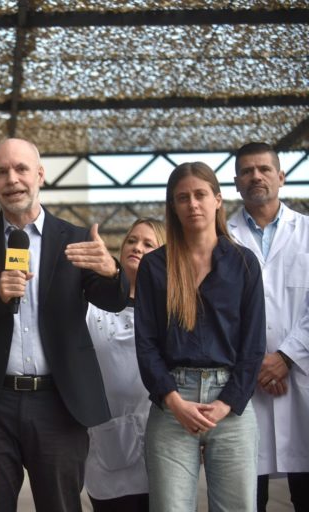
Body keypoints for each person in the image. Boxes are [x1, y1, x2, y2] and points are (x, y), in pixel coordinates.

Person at [0, 138, 129, 511]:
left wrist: (112, 271)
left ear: (40, 175)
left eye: (21, 168)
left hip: (59, 402)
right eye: (1, 171)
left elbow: (113, 299)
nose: (12, 179)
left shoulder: (75, 239)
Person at [135, 161, 266, 511]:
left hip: (231, 404)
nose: (192, 204)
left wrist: (226, 403)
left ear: (218, 200)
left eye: (200, 195)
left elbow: (253, 346)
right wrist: (174, 401)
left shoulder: (243, 263)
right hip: (172, 403)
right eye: (182, 198)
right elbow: (146, 344)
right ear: (173, 206)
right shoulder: (155, 266)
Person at [227, 142, 309, 511]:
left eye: (263, 169)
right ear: (236, 183)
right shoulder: (220, 239)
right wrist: (258, 362)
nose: (255, 176)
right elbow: (218, 311)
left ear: (281, 176)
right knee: (246, 497)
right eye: (246, 171)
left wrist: (288, 356)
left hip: (302, 378)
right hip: (246, 383)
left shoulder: (306, 231)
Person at [84, 218, 165, 512]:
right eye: (132, 241)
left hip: (162, 437)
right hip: (109, 442)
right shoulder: (92, 306)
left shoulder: (171, 308)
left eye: (148, 243)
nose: (137, 248)